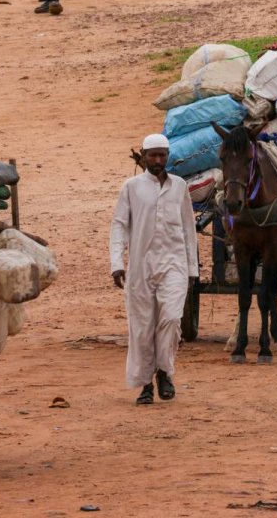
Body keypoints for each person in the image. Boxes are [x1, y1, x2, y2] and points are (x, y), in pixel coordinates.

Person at [110, 134, 198, 406]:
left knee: (171, 319)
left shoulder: (179, 186)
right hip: (140, 267)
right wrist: (116, 263)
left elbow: (188, 228)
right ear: (144, 157)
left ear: (167, 155)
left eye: (162, 155)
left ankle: (165, 371)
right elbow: (119, 225)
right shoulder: (131, 187)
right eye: (152, 155)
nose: (158, 160)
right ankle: (146, 383)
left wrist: (192, 268)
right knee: (142, 327)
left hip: (174, 264)